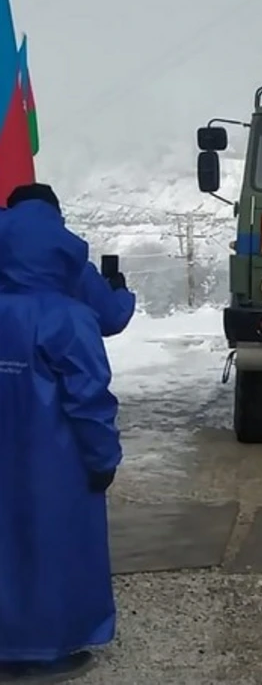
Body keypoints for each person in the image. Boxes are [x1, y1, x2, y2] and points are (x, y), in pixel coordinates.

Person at [0, 185, 122, 681]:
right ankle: (45, 649)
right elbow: (90, 399)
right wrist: (103, 460)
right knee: (52, 540)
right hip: (55, 457)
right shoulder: (67, 318)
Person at [5, 184, 136, 337]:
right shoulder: (71, 260)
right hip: (56, 349)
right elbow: (112, 318)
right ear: (56, 214)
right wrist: (119, 291)